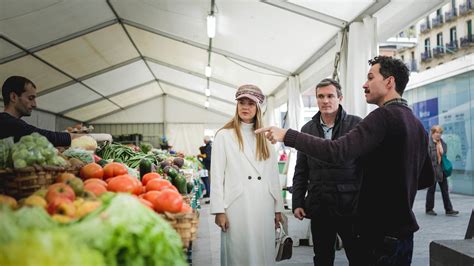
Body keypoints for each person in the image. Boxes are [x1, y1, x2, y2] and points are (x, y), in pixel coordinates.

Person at [256, 56, 435, 265]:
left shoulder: (381, 118)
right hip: (403, 233)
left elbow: (336, 151)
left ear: (389, 82)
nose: (364, 84)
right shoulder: (416, 123)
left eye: (370, 77)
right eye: (320, 96)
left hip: (379, 233)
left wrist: (287, 135)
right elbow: (425, 178)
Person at [210, 84, 284, 266]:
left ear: (258, 107)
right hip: (237, 205)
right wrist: (219, 210)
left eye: (250, 103)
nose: (245, 107)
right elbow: (217, 175)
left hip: (263, 204)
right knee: (238, 254)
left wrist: (278, 209)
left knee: (262, 254)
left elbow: (273, 175)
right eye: (241, 102)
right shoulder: (224, 135)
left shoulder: (267, 136)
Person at [292, 78, 363, 265]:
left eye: (330, 96)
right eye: (320, 96)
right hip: (320, 205)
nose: (325, 101)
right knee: (322, 258)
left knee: (358, 256)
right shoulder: (307, 129)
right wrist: (297, 202)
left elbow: (366, 166)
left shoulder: (357, 125)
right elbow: (301, 170)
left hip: (350, 207)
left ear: (340, 98)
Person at [1, 76, 80, 146]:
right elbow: (44, 136)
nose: (34, 104)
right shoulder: (8, 123)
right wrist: (84, 138)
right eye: (30, 98)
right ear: (13, 97)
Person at [425, 125, 459, 216]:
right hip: (432, 170)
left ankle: (449, 209)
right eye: (436, 132)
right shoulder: (429, 143)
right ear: (432, 133)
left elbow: (444, 156)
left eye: (440, 133)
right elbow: (426, 158)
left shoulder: (443, 143)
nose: (438, 134)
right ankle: (429, 209)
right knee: (431, 190)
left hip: (441, 170)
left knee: (445, 190)